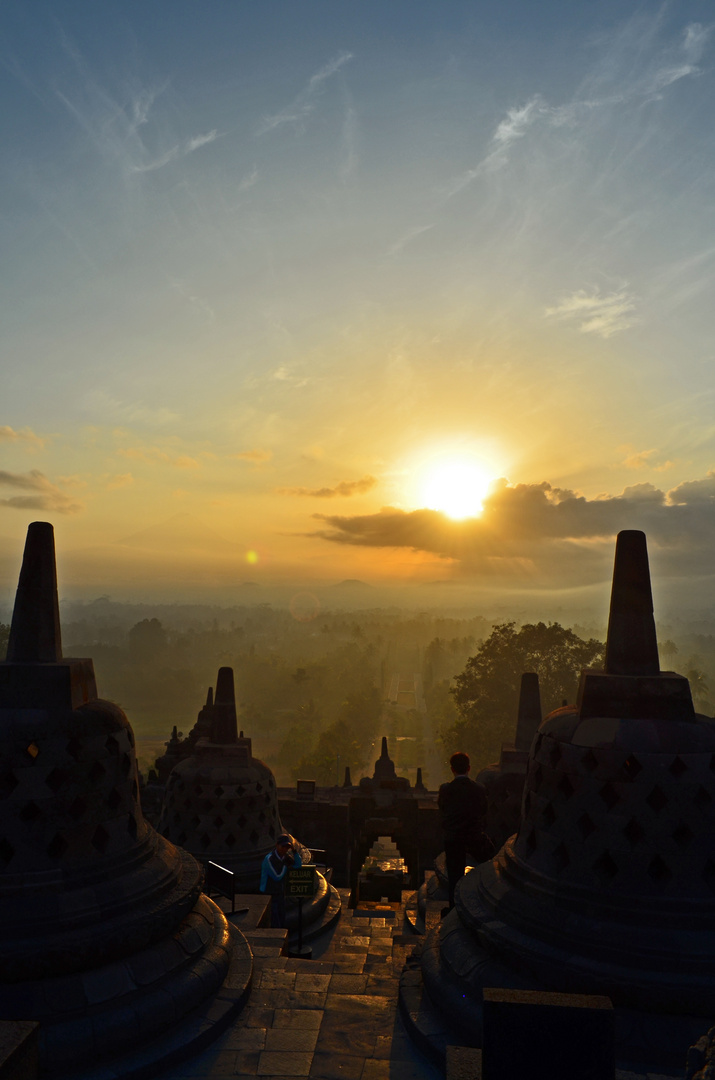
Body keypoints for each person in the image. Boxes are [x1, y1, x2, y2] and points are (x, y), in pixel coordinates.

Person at [438, 751, 492, 911]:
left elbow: (442, 809)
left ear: (452, 769)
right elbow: (484, 811)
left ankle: (454, 908)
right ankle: (481, 903)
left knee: (454, 875)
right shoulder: (479, 789)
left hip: (453, 838)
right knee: (489, 865)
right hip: (474, 837)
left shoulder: (446, 789)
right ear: (469, 768)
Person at [259, 833, 302, 928]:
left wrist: (294, 851)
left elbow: (298, 865)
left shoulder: (285, 857)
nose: (284, 849)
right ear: (277, 845)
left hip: (280, 891)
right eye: (283, 846)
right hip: (269, 892)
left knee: (282, 916)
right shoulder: (269, 859)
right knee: (274, 918)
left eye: (287, 847)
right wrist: (285, 867)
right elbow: (276, 877)